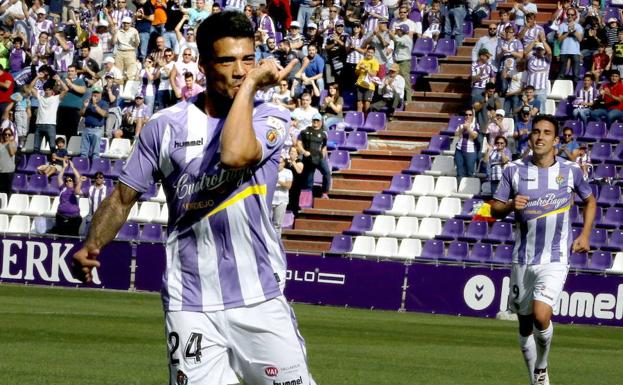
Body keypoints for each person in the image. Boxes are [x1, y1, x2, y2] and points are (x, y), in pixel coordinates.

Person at [72, 12, 317, 385]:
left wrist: (250, 84)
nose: (240, 70)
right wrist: (92, 244)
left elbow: (234, 155)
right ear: (203, 65)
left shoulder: (271, 116)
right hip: (190, 303)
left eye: (248, 59)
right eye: (227, 60)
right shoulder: (165, 125)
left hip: (259, 298)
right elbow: (123, 197)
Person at [490, 115, 596, 385]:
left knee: (541, 314)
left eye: (547, 132)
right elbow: (495, 208)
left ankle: (542, 365)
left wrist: (584, 234)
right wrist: (512, 205)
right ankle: (535, 379)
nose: (540, 137)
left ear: (556, 140)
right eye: (536, 132)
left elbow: (590, 200)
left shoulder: (571, 171)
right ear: (530, 137)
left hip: (556, 258)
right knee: (525, 325)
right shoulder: (513, 170)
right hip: (522, 258)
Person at [297, 113, 331, 199]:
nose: (315, 122)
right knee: (309, 179)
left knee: (327, 173)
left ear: (320, 122)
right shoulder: (305, 131)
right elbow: (299, 143)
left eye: (317, 120)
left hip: (318, 157)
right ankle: (308, 198)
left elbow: (324, 146)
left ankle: (325, 192)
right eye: (314, 120)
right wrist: (304, 152)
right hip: (308, 158)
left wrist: (323, 154)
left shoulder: (324, 134)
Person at [52, 159, 84, 236]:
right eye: (66, 181)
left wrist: (73, 168)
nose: (68, 182)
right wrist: (64, 167)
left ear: (73, 182)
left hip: (74, 218)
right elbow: (59, 177)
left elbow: (79, 177)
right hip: (62, 216)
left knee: (73, 235)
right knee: (62, 235)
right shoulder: (63, 188)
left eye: (70, 180)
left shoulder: (76, 189)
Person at [80, 87, 109, 160]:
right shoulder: (88, 102)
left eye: (97, 93)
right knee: (84, 152)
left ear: (100, 94)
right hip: (86, 128)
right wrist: (84, 107)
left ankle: (95, 168)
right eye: (94, 93)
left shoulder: (104, 103)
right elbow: (81, 114)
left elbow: (104, 114)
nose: (95, 94)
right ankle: (83, 166)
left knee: (95, 152)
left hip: (97, 129)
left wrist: (95, 104)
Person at [453, 108, 479, 183]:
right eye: (466, 115)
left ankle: (469, 190)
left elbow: (474, 136)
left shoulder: (475, 125)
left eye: (470, 115)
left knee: (470, 172)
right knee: (459, 172)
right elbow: (456, 134)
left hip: (470, 151)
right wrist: (463, 128)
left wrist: (468, 128)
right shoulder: (461, 125)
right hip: (459, 150)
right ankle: (459, 188)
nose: (468, 116)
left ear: (472, 116)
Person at [272, 156, 293, 237]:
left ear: (284, 163)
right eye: (277, 162)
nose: (278, 164)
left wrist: (277, 180)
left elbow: (288, 186)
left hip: (281, 201)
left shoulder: (288, 172)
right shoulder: (271, 171)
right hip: (270, 200)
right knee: (267, 223)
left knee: (277, 224)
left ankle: (277, 244)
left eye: (280, 163)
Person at [0, 127, 16, 197]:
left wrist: (9, 142)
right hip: (1, 171)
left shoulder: (13, 143)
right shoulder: (0, 145)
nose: (7, 136)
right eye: (5, 134)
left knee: (8, 191)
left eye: (9, 134)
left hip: (9, 171)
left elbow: (12, 153)